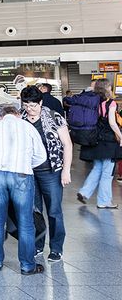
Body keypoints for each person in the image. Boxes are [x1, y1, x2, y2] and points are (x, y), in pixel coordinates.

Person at [0, 103, 46, 274]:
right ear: (18, 114)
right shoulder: (28, 127)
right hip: (22, 174)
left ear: (0, 116)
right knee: (26, 223)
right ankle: (27, 266)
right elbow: (41, 156)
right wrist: (26, 165)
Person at [20, 85, 72, 262]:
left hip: (51, 171)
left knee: (54, 211)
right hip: (28, 173)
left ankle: (56, 248)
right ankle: (37, 245)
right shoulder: (21, 118)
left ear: (40, 102)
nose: (29, 109)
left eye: (33, 105)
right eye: (26, 105)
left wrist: (66, 170)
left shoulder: (53, 117)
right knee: (33, 211)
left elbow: (67, 145)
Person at [76, 78, 122, 209]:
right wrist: (121, 136)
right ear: (107, 88)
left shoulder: (94, 102)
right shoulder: (111, 103)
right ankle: (104, 201)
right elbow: (112, 123)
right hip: (109, 142)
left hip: (95, 140)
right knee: (108, 173)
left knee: (97, 169)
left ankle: (84, 192)